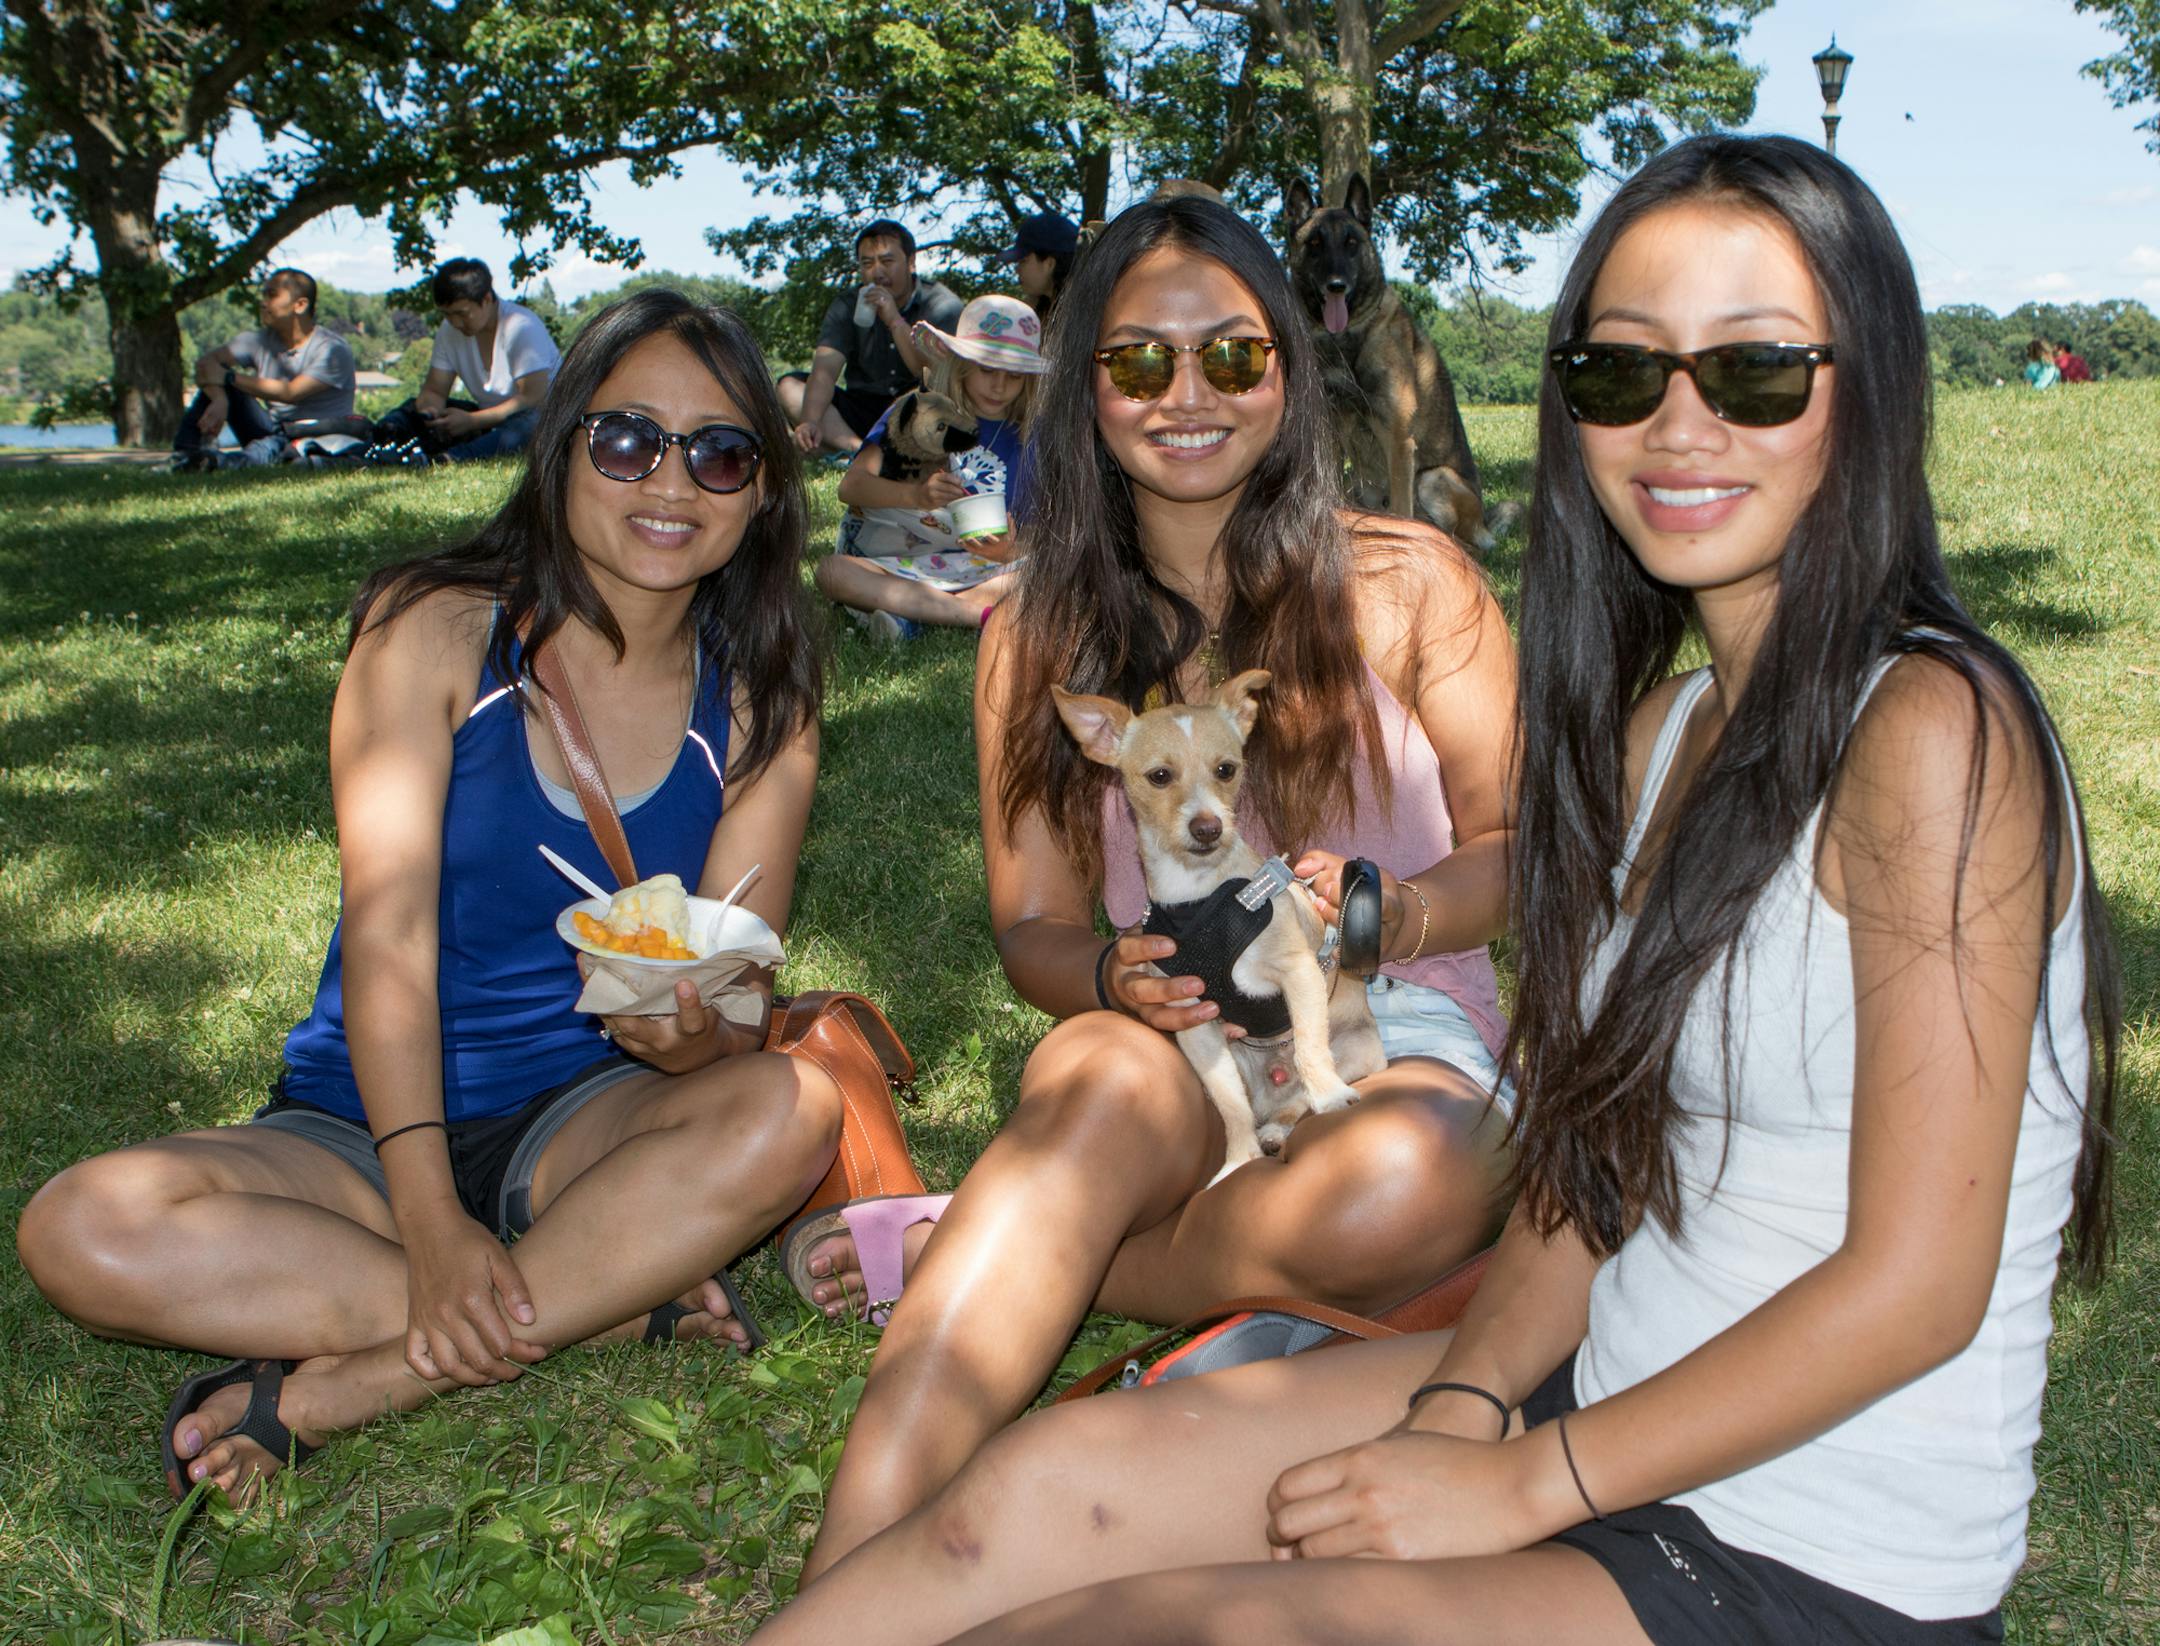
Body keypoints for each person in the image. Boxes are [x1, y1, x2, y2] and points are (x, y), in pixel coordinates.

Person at [744, 133, 2119, 1646]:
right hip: (1578, 1376)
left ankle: (1007, 1246)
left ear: (1872, 387)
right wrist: (1469, 1400)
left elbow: (1923, 1284)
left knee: (1116, 1622)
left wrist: (1525, 1479)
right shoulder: (1663, 732)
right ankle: (1012, 1253)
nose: (1678, 425)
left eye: (1755, 373)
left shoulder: (1932, 728)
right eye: (1620, 374)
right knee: (1030, 1497)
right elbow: (1588, 1168)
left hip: (1790, 1544)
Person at [780, 192, 1519, 1584]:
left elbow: (1518, 848)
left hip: (1388, 1015)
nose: (1189, 395)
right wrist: (1109, 976)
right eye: (1138, 361)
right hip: (1162, 1040)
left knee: (1404, 1190)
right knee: (1099, 1084)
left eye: (1232, 357)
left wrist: (1395, 907)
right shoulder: (1035, 637)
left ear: (1290, 372)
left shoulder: (1415, 585)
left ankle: (1013, 1241)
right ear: (1087, 387)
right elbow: (1037, 931)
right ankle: (839, 1586)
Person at [18, 289, 842, 1501]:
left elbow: (730, 991)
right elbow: (388, 933)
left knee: (790, 1104)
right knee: (79, 1227)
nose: (670, 483)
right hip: (360, 1120)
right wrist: (432, 1218)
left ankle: (360, 1382)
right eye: (627, 439)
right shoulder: (437, 631)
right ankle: (592, 1299)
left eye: (721, 453)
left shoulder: (765, 700)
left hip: (581, 1114)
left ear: (762, 489)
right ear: (561, 444)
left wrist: (686, 1037)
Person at [815, 294, 1045, 639]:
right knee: (832, 572)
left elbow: (1048, 537)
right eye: (987, 369)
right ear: (960, 363)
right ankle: (977, 617)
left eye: (1013, 376)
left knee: (1050, 572)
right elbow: (851, 486)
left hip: (989, 570)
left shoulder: (1034, 436)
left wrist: (1007, 551)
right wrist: (918, 495)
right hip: (904, 567)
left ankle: (914, 618)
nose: (999, 387)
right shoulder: (914, 413)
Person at [777, 220, 964, 455]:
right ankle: (859, 450)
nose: (877, 272)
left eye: (887, 262)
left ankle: (845, 448)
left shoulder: (941, 304)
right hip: (861, 406)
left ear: (911, 263)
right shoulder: (847, 304)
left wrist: (894, 320)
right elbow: (825, 370)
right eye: (867, 263)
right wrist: (809, 421)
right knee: (788, 387)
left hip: (914, 406)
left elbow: (928, 373)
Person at [374, 258, 562, 462]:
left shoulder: (521, 327)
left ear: (487, 299)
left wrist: (472, 421)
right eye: (447, 314)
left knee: (529, 425)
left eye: (462, 314)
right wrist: (432, 412)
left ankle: (451, 458)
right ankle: (376, 447)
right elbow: (434, 391)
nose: (455, 322)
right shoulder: (449, 332)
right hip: (487, 420)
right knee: (409, 410)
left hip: (542, 418)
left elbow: (534, 398)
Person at [171, 267, 359, 470]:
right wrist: (220, 398)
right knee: (221, 384)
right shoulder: (258, 341)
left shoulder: (332, 349)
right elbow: (205, 365)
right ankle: (184, 455)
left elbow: (291, 392)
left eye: (272, 295)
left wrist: (229, 378)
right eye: (263, 294)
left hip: (318, 437)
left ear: (300, 305)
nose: (263, 302)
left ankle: (212, 462)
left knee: (227, 381)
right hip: (273, 429)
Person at [1001, 211, 1079, 328]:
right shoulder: (1041, 311)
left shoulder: (1081, 311)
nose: (1017, 269)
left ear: (1049, 264)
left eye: (1023, 261)